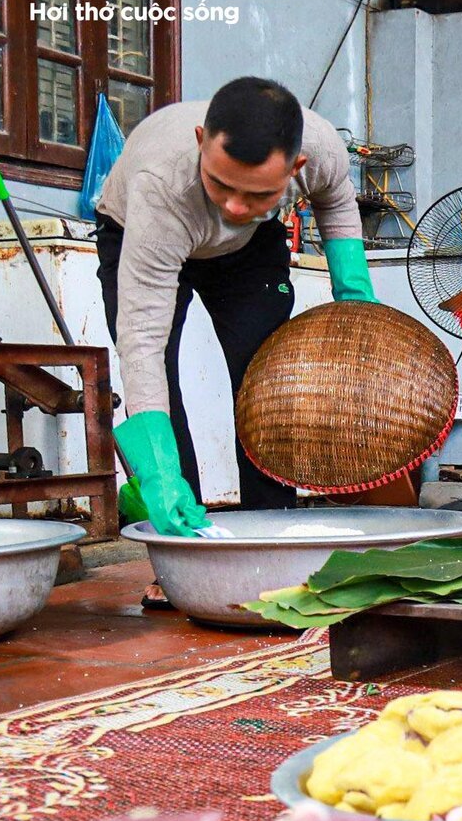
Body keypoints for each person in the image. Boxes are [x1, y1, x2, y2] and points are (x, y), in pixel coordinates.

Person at [95, 76, 378, 539]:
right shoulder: (161, 183)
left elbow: (336, 199)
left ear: (296, 167)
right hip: (144, 230)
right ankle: (182, 528)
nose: (234, 206)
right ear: (201, 142)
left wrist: (355, 297)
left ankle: (273, 530)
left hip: (248, 253)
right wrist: (159, 477)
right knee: (160, 372)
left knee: (263, 375)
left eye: (258, 194)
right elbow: (142, 340)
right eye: (222, 184)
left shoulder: (322, 150)